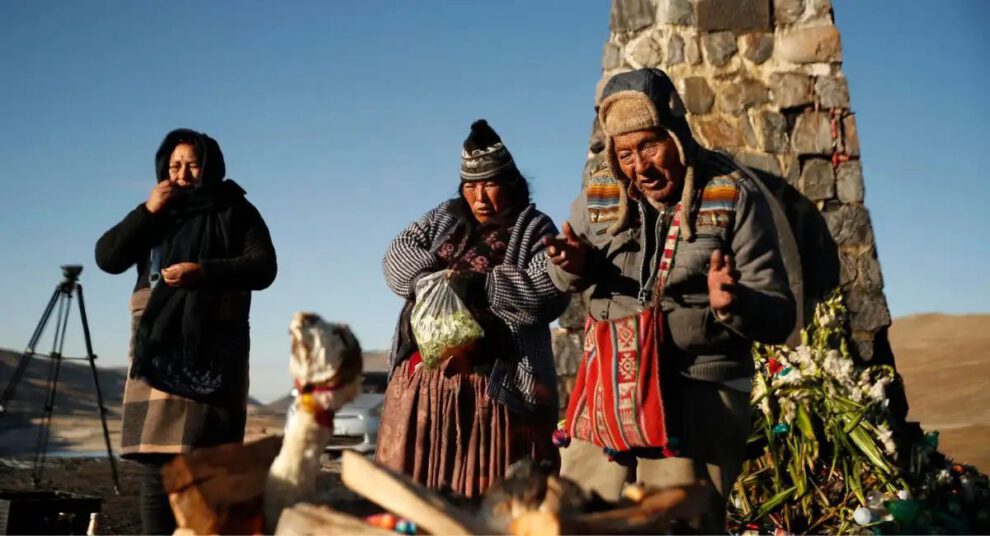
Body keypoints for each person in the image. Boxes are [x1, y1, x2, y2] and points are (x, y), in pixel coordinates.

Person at [545, 68, 796, 532]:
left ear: (676, 137)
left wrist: (733, 302)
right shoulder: (597, 196)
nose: (640, 166)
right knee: (576, 520)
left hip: (696, 395)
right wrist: (572, 267)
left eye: (649, 146)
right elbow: (560, 277)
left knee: (679, 527)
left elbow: (779, 313)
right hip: (609, 396)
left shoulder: (732, 194)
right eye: (625, 154)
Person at [95, 128, 276, 534]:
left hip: (212, 350)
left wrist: (205, 272)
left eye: (192, 164)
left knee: (208, 467)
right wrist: (146, 211)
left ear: (209, 166)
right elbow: (107, 258)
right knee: (157, 469)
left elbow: (264, 267)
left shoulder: (235, 210)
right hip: (158, 349)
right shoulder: (158, 213)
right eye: (175, 165)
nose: (183, 173)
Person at [376, 119, 568, 498]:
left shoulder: (534, 228)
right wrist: (433, 281)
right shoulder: (443, 218)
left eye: (490, 184)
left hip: (492, 391)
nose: (480, 197)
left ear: (511, 183)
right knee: (414, 495)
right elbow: (396, 254)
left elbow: (548, 293)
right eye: (471, 186)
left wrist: (482, 286)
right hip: (422, 386)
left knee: (484, 493)